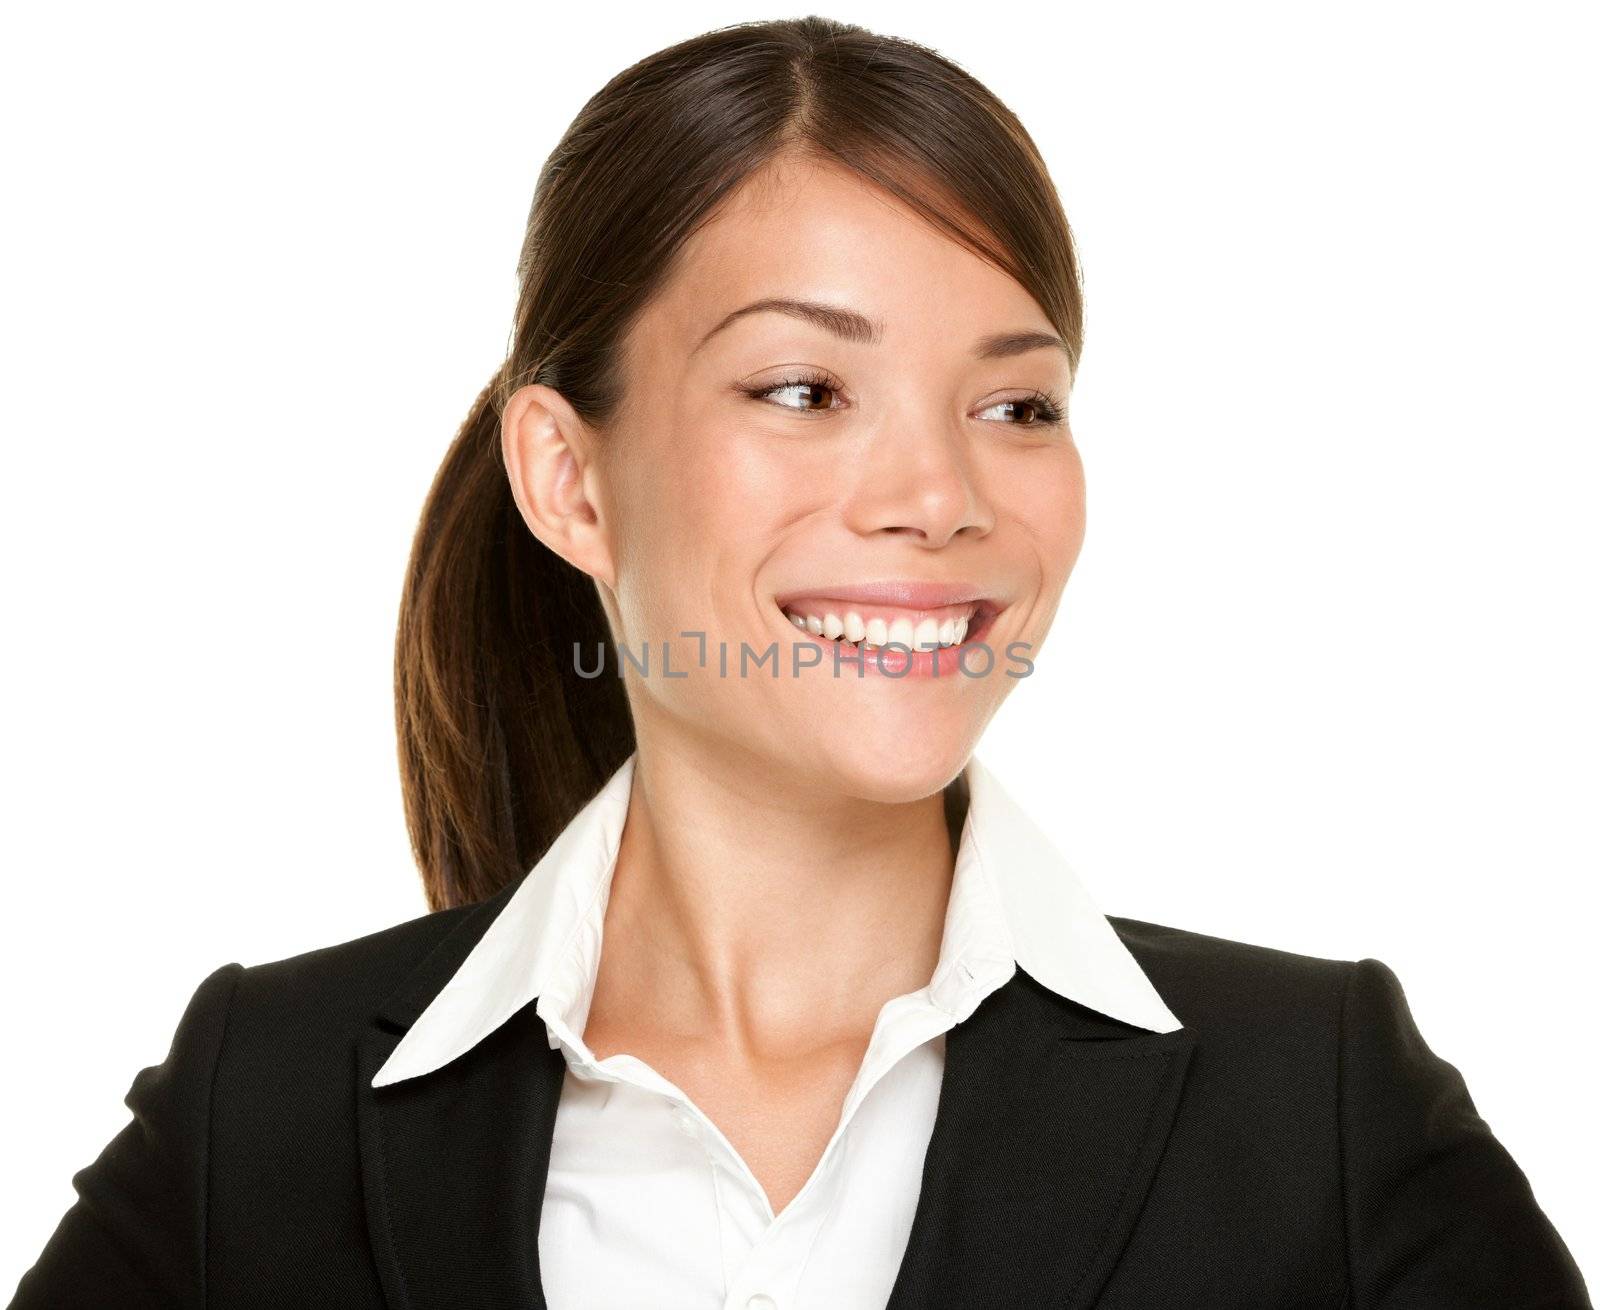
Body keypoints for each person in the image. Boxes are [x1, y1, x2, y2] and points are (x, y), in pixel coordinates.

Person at [10, 16, 1589, 1310]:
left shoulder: (1314, 1109)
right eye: (803, 387)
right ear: (568, 478)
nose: (939, 498)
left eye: (1017, 404)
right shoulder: (263, 1111)